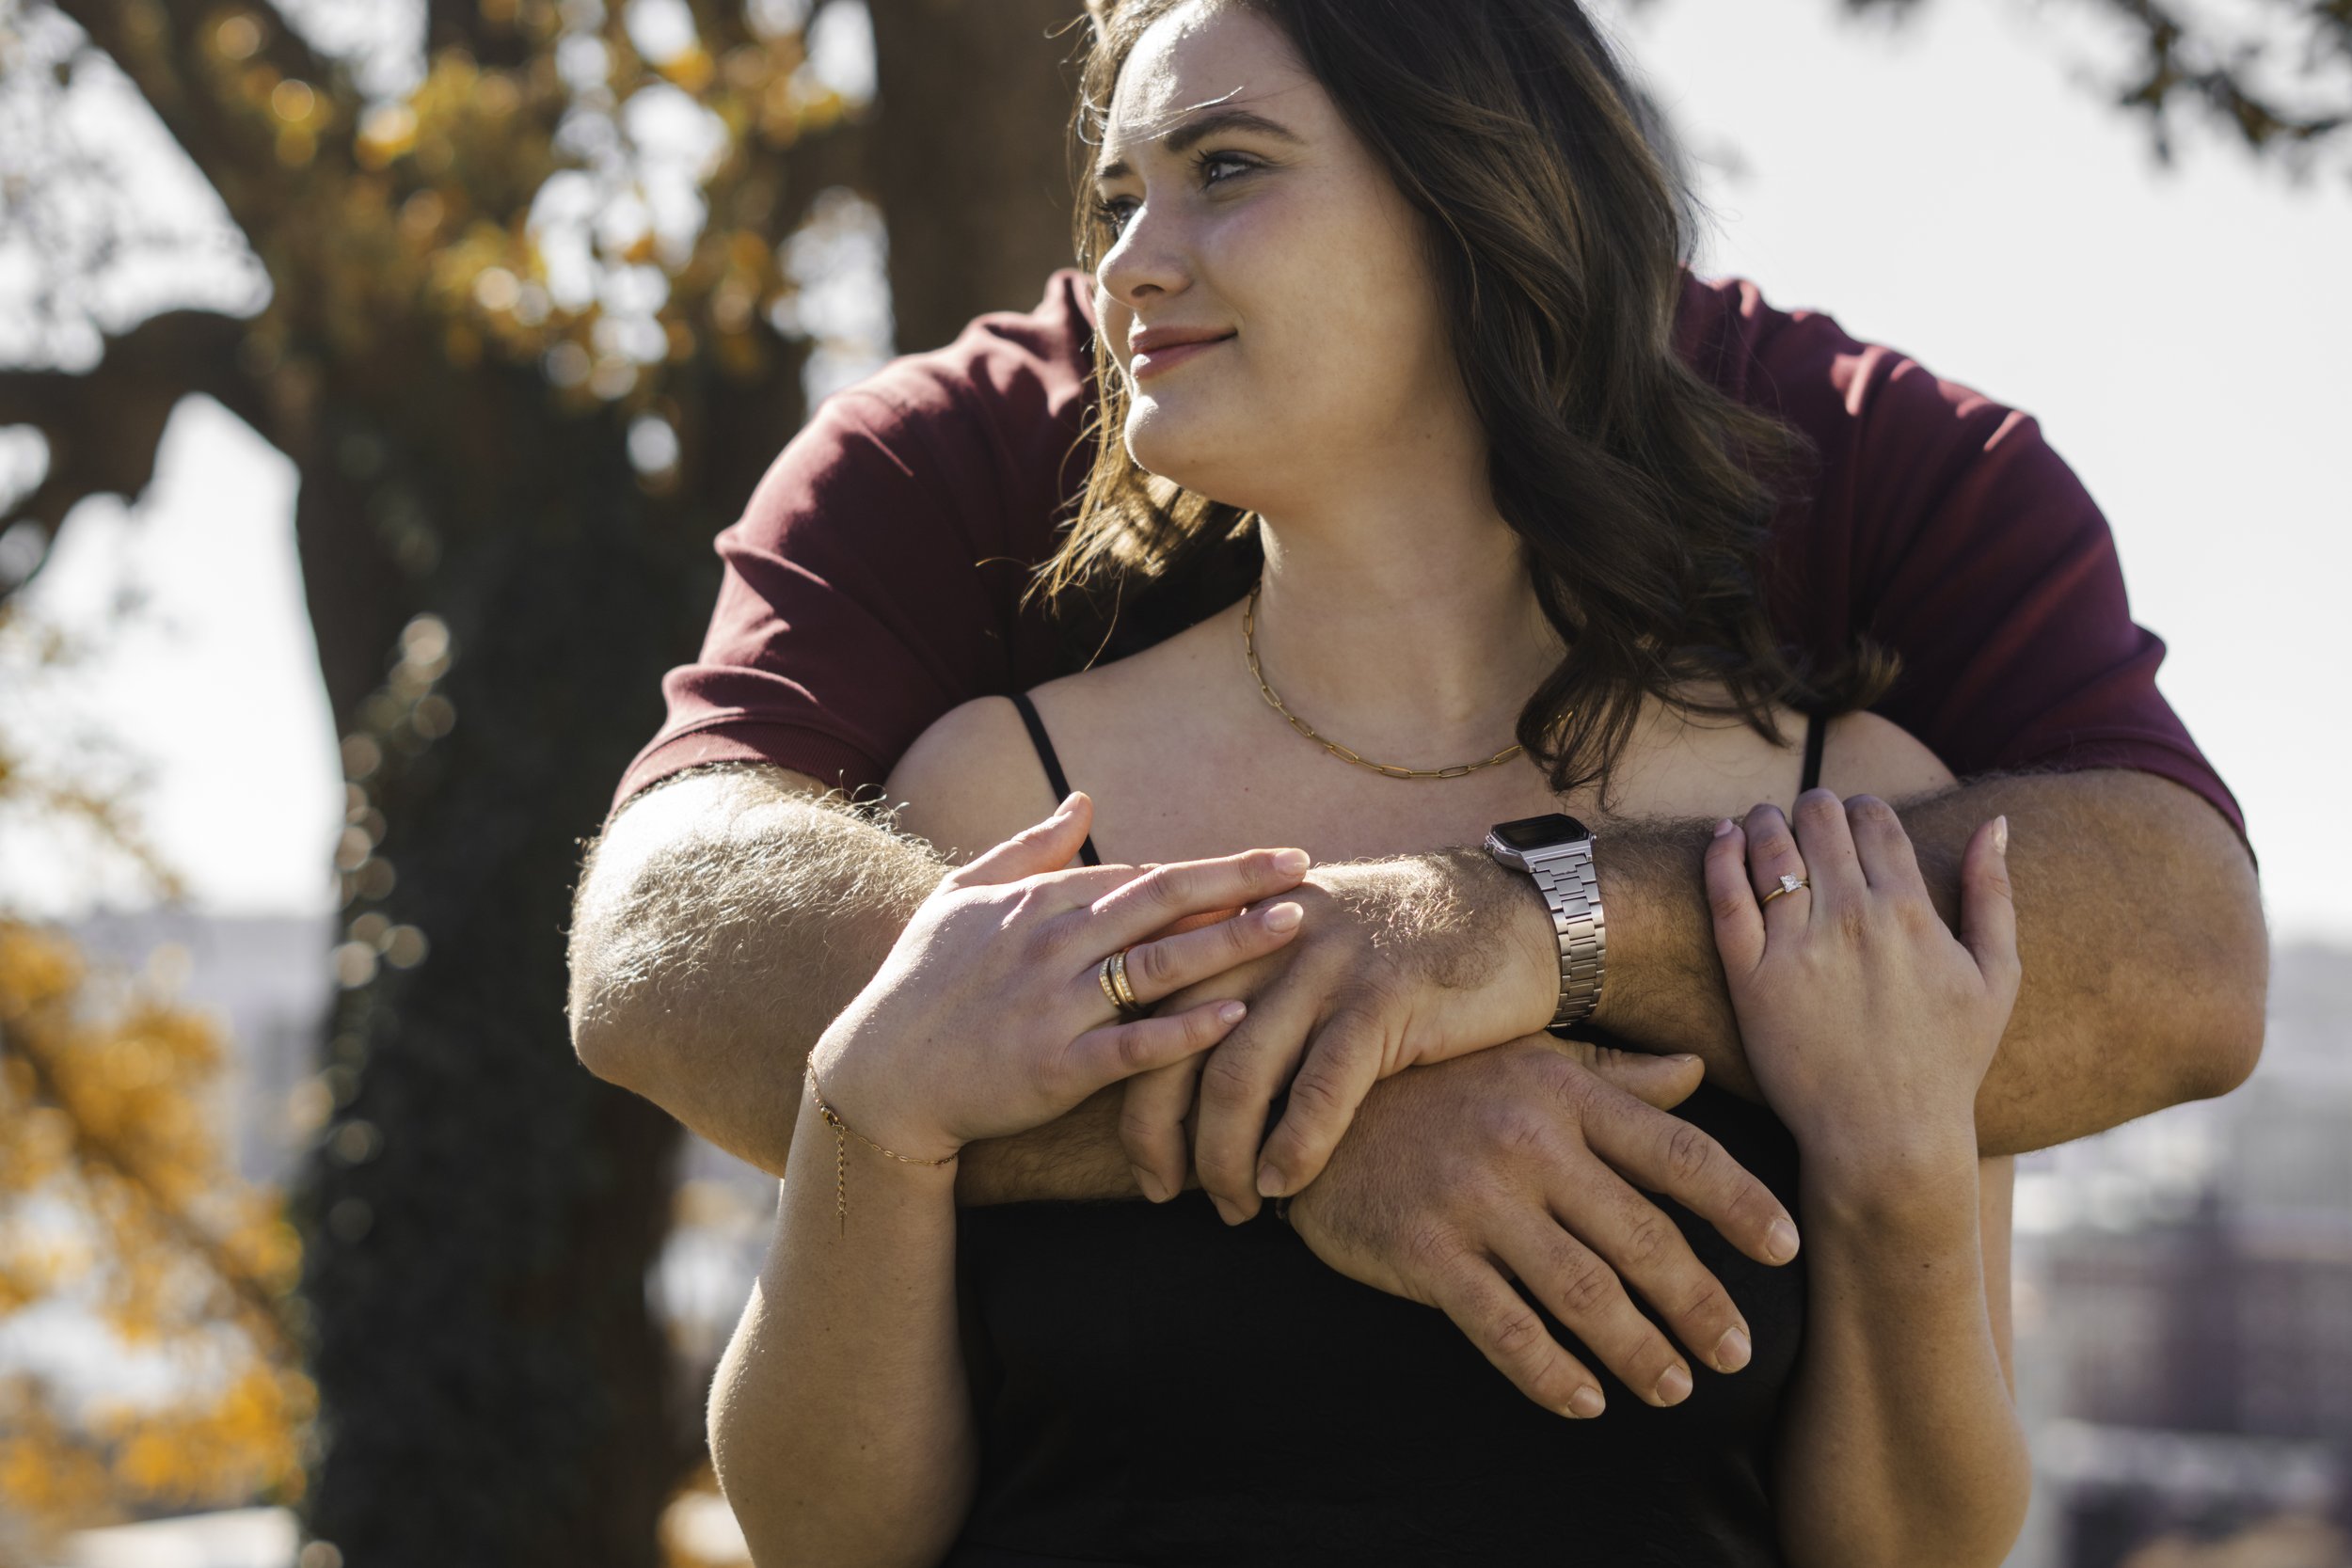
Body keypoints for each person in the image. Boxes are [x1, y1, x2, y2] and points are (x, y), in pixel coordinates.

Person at [564, 0, 2265, 1557]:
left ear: (1483, 208)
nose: (1131, 265)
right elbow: (830, 1532)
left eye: (1225, 171)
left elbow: (1913, 1544)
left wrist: (1532, 947)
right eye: (1117, 199)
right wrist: (1314, 1091)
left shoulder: (1857, 806)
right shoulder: (985, 794)